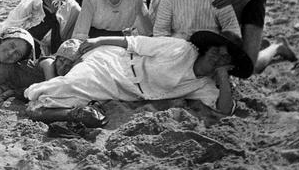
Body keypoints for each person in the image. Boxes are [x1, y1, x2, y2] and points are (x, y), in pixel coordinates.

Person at [25, 30, 254, 127]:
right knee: (67, 87)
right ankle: (42, 99)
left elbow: (225, 110)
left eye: (224, 58)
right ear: (207, 48)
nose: (217, 58)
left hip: (123, 92)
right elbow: (134, 42)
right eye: (216, 51)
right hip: (113, 63)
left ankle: (69, 113)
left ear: (228, 64)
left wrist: (224, 78)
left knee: (74, 95)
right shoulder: (181, 49)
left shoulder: (203, 84)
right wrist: (99, 41)